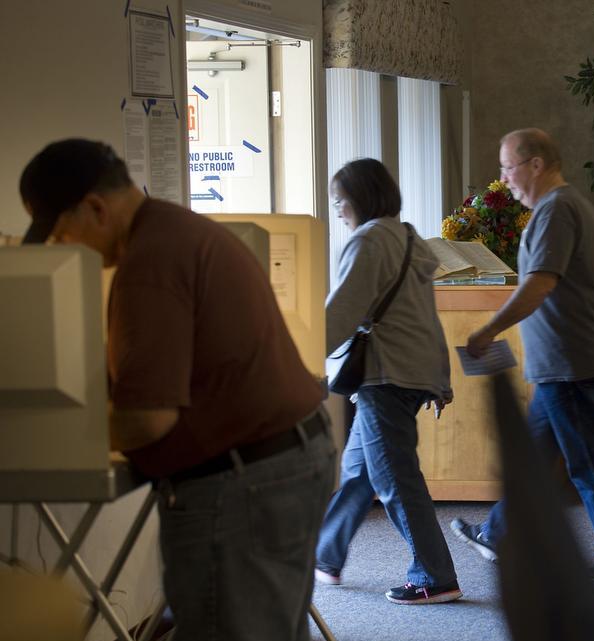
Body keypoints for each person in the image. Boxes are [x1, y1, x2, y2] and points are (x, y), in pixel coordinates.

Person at [20, 139, 336, 641]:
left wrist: (56, 437)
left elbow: (149, 419)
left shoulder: (149, 265)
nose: (62, 249)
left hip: (244, 482)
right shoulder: (177, 229)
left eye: (61, 234)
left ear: (95, 208)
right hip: (285, 461)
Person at [449, 128, 594, 582]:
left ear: (536, 164)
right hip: (564, 360)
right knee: (534, 459)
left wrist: (488, 329)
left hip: (565, 361)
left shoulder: (557, 209)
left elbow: (541, 284)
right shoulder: (565, 207)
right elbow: (588, 291)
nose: (503, 180)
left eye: (508, 168)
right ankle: (499, 533)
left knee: (589, 461)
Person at [313, 158, 462, 605]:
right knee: (360, 471)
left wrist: (290, 355)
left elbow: (338, 316)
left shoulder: (368, 242)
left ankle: (435, 577)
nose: (337, 210)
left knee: (396, 479)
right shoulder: (409, 238)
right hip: (412, 372)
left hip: (386, 376)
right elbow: (427, 320)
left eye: (340, 201)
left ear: (359, 199)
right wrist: (441, 379)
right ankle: (326, 554)